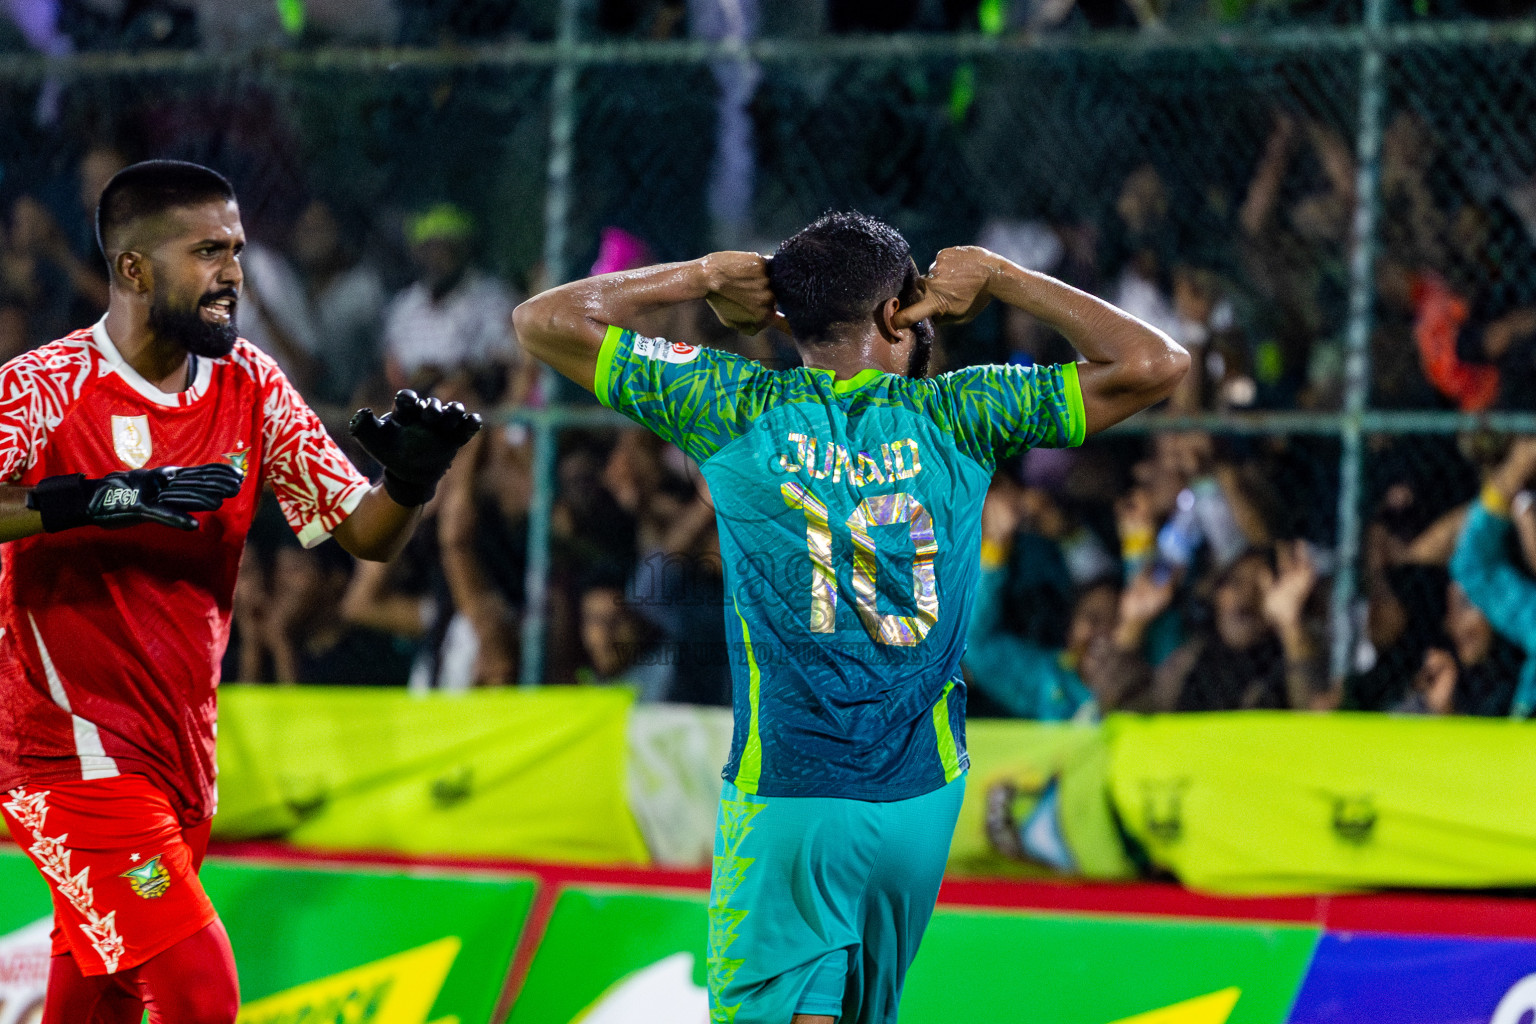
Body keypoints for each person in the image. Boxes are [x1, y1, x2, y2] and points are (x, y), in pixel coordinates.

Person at [514, 210, 1187, 1024]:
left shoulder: (731, 403)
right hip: (921, 800)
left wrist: (702, 276)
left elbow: (544, 322)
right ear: (894, 312)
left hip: (793, 797)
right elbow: (1154, 362)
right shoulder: (963, 414)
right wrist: (1005, 278)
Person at [0, 160, 479, 1023]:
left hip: (180, 759)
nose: (234, 275)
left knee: (96, 998)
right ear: (135, 269)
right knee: (200, 989)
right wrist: (100, 497)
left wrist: (408, 480)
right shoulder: (44, 386)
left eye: (239, 251)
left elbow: (363, 535)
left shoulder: (249, 383)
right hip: (66, 757)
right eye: (208, 252)